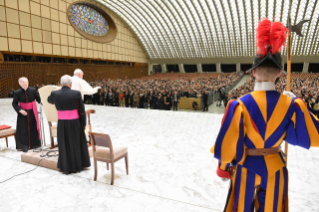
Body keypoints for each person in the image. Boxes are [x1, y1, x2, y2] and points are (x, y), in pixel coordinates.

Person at [211, 18, 319, 212]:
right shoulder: (291, 104)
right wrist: (295, 103)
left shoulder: (239, 105)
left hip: (245, 166)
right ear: (279, 74)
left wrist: (224, 168)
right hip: (275, 167)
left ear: (253, 73)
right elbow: (311, 133)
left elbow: (229, 142)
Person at [48, 75, 91, 174]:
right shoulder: (76, 93)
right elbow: (81, 110)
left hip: (62, 123)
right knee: (76, 143)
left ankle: (66, 167)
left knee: (64, 143)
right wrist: (83, 123)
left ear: (60, 83)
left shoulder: (54, 94)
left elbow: (49, 100)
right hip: (75, 122)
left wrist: (57, 90)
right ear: (71, 84)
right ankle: (78, 165)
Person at [12, 77, 41, 152]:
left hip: (32, 112)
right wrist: (20, 110)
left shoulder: (33, 90)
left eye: (26, 84)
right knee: (23, 129)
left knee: (33, 127)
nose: (25, 86)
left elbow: (39, 99)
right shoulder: (17, 92)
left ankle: (34, 144)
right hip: (23, 113)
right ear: (20, 84)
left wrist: (43, 103)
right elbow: (14, 103)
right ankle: (24, 145)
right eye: (23, 85)